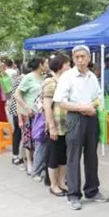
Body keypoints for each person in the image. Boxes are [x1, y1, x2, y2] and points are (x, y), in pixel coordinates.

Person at [53, 45, 109, 210]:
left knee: (92, 155)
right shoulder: (67, 77)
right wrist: (82, 108)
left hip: (91, 117)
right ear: (73, 58)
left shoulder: (91, 76)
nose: (79, 60)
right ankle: (73, 194)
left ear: (89, 58)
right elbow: (61, 102)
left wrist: (91, 106)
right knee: (73, 156)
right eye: (76, 57)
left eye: (82, 57)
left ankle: (92, 190)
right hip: (75, 118)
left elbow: (98, 96)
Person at [43, 54, 71, 197]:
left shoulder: (66, 82)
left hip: (67, 126)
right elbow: (47, 106)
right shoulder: (50, 82)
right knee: (54, 156)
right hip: (56, 126)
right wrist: (52, 126)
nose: (69, 67)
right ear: (60, 66)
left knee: (63, 156)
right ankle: (53, 185)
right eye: (67, 64)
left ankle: (61, 182)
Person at [15, 57, 48, 176]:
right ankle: (29, 163)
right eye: (46, 63)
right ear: (40, 64)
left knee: (39, 139)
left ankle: (38, 163)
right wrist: (26, 107)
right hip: (29, 114)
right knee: (28, 140)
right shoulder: (28, 77)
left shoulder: (44, 78)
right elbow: (17, 94)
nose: (48, 65)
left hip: (40, 114)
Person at [9, 66, 29, 166]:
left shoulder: (20, 78)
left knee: (18, 132)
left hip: (16, 109)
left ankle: (18, 155)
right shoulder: (24, 79)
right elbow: (19, 97)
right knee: (18, 132)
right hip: (19, 109)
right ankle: (16, 155)